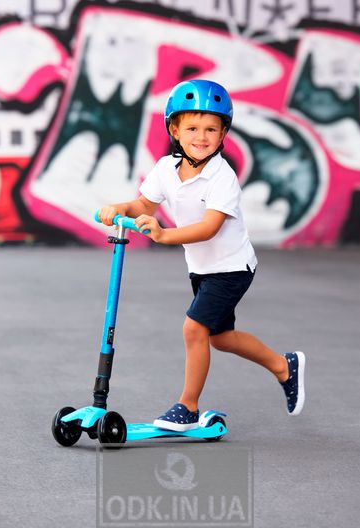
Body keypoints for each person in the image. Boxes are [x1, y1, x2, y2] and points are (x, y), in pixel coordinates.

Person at [98, 79, 305, 432]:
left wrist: (164, 234)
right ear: (174, 130)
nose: (201, 136)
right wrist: (120, 207)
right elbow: (144, 204)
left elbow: (209, 227)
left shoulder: (222, 177)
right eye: (192, 127)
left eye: (211, 128)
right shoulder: (166, 168)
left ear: (224, 134)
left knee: (194, 329)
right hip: (202, 267)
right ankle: (284, 366)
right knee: (220, 337)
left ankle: (187, 406)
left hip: (232, 267)